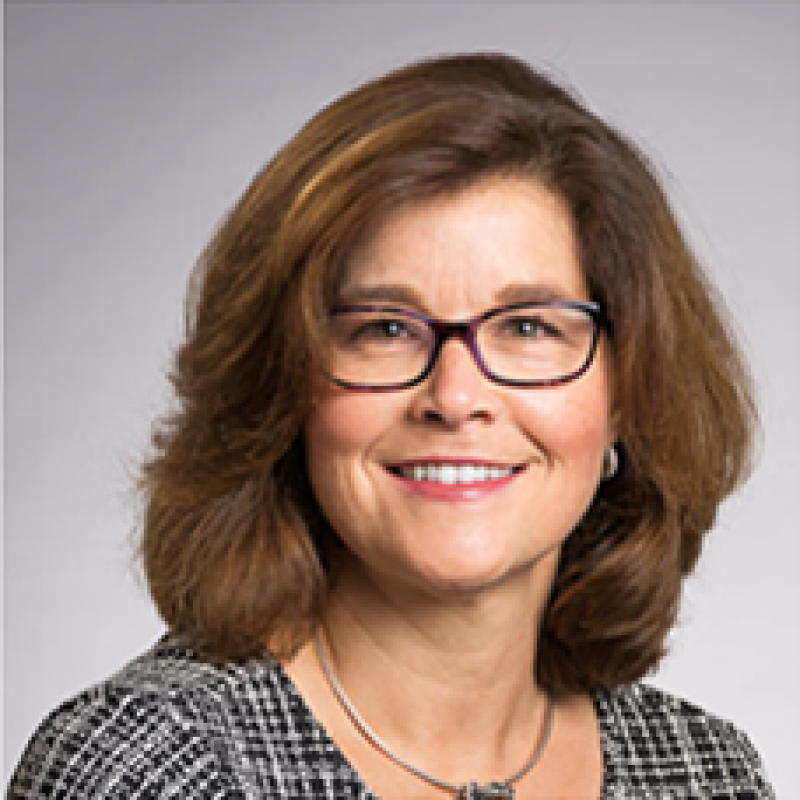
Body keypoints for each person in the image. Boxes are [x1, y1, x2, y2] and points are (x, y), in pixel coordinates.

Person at [9, 52, 774, 799]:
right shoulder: (147, 769)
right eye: (384, 329)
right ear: (284, 385)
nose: (455, 396)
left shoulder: (708, 774)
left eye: (531, 327)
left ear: (628, 394)